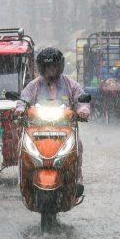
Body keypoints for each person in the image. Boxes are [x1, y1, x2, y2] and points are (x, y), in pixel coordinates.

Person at [15, 48, 90, 194]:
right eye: (47, 66)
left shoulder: (71, 84)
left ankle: (77, 179)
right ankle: (23, 181)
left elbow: (81, 100)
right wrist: (20, 109)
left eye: (54, 66)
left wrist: (83, 111)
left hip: (65, 128)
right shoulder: (33, 85)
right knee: (22, 147)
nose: (51, 69)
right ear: (42, 67)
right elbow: (23, 100)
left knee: (78, 146)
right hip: (37, 128)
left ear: (59, 66)